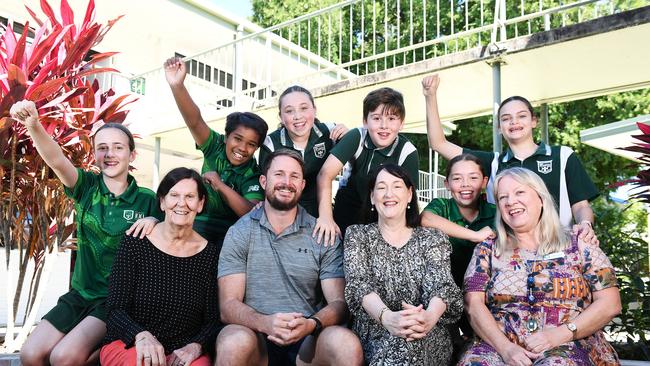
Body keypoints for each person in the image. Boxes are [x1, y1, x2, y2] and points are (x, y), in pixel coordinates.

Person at [10, 100, 163, 366]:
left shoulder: (148, 199)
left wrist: (154, 221)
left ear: (132, 154)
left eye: (118, 147)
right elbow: (56, 159)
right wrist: (33, 125)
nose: (110, 154)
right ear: (94, 154)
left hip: (116, 300)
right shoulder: (86, 187)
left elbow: (173, 233)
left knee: (64, 357)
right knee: (30, 354)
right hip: (80, 295)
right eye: (102, 148)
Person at [459, 167, 621, 366]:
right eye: (503, 197)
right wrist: (505, 348)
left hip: (569, 342)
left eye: (520, 192)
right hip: (500, 344)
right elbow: (472, 304)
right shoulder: (488, 248)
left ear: (541, 199)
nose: (511, 201)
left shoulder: (579, 243)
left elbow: (610, 303)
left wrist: (560, 334)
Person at [216, 149, 363, 366]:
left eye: (294, 176)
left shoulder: (322, 233)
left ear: (303, 185)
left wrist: (311, 324)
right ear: (264, 181)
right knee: (233, 342)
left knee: (345, 344)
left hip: (307, 338)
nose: (287, 182)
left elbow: (339, 303)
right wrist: (265, 323)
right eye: (279, 174)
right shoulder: (240, 231)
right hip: (256, 337)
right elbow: (228, 305)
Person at [422, 74, 599, 245]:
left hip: (558, 249)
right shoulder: (493, 164)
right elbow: (439, 143)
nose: (514, 122)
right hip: (510, 256)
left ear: (534, 121)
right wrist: (430, 96)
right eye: (506, 119)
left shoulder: (562, 156)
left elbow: (581, 206)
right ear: (499, 127)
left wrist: (585, 224)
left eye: (521, 116)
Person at [344, 163, 463, 365]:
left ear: (409, 195)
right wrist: (388, 318)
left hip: (427, 331)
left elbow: (441, 285)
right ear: (372, 197)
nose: (389, 194)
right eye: (381, 188)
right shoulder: (358, 236)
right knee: (401, 343)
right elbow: (359, 286)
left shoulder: (432, 238)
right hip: (376, 331)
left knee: (410, 340)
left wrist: (428, 318)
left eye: (397, 186)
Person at [100, 168, 220, 366]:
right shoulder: (136, 241)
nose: (182, 203)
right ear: (162, 201)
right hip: (131, 342)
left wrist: (196, 346)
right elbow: (114, 308)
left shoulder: (210, 255)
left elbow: (212, 320)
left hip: (183, 350)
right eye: (174, 195)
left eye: (190, 196)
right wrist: (139, 335)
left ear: (200, 204)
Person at [164, 57, 268, 247]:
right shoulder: (215, 146)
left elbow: (252, 212)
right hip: (197, 224)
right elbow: (194, 120)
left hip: (231, 233)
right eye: (237, 139)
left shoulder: (253, 173)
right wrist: (177, 86)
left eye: (251, 144)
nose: (242, 149)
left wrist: (220, 185)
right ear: (226, 136)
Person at [315, 87, 419, 244]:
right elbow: (325, 174)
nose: (384, 125)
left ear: (402, 123)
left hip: (383, 216)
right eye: (376, 118)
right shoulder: (357, 136)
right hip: (349, 210)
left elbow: (408, 199)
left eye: (391, 119)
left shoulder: (407, 151)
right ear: (365, 121)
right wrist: (326, 218)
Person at [420, 153, 496, 356]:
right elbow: (425, 219)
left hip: (484, 296)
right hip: (444, 295)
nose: (465, 184)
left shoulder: (495, 212)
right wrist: (474, 235)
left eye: (473, 177)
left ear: (484, 182)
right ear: (447, 183)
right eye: (457, 178)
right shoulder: (442, 206)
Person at [259, 85, 348, 217]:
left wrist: (348, 137)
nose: (297, 116)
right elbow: (266, 188)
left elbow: (355, 161)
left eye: (304, 108)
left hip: (321, 211)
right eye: (289, 111)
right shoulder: (270, 143)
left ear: (314, 110)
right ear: (281, 117)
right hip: (284, 211)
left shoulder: (329, 132)